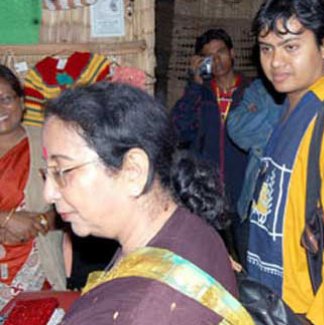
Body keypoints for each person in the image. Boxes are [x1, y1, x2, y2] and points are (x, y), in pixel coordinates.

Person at [41, 82, 254, 324]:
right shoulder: (184, 224)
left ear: (133, 171)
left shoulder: (142, 311)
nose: (49, 193)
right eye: (47, 172)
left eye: (62, 170)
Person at [246, 0, 324, 324]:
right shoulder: (294, 106)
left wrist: (320, 320)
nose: (276, 61)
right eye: (266, 49)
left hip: (306, 309)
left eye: (291, 46)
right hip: (271, 298)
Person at [0, 64, 66, 309]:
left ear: (22, 101)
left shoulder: (50, 142)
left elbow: (83, 199)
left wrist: (44, 220)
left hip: (40, 270)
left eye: (6, 98)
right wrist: (6, 219)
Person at [171, 28, 250, 226]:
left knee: (246, 253)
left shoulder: (253, 91)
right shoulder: (200, 94)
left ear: (232, 53)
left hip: (246, 194)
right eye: (208, 56)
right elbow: (177, 130)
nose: (216, 60)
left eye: (221, 52)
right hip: (208, 194)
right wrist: (195, 85)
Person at [226, 77, 283, 267]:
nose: (276, 60)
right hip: (252, 205)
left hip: (288, 214)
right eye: (267, 50)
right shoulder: (258, 88)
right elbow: (236, 129)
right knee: (252, 282)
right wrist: (280, 115)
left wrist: (260, 113)